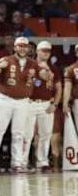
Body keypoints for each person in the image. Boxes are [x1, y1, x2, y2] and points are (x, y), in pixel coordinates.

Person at [0, 37, 51, 173]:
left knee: (19, 132)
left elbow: (46, 77)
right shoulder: (6, 60)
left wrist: (46, 70)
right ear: (15, 48)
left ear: (28, 49)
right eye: (20, 46)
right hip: (5, 99)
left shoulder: (33, 64)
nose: (22, 49)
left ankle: (17, 162)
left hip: (23, 100)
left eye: (25, 46)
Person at [23, 41, 61, 172]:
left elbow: (58, 88)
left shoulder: (53, 68)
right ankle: (22, 161)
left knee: (46, 134)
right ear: (37, 51)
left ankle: (43, 161)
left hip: (46, 103)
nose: (46, 53)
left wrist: (55, 104)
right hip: (30, 102)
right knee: (27, 134)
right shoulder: (29, 65)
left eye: (48, 51)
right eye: (43, 50)